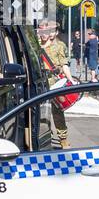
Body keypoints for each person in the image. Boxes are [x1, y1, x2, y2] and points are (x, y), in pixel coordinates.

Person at [38, 20, 75, 148]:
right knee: (39, 112)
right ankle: (43, 135)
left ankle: (63, 138)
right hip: (39, 83)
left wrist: (71, 80)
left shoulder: (59, 46)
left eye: (46, 32)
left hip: (54, 83)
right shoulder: (34, 47)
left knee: (57, 112)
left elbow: (64, 65)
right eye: (41, 31)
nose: (43, 34)